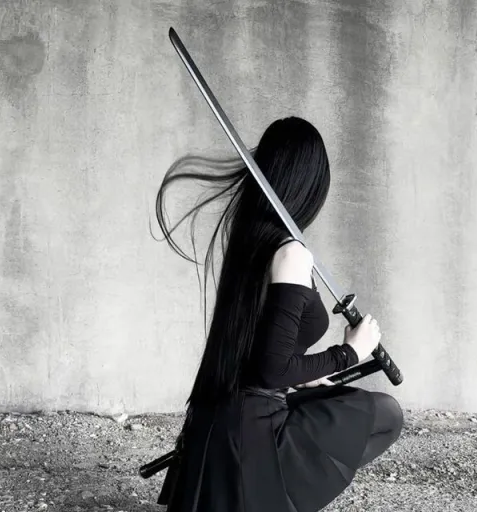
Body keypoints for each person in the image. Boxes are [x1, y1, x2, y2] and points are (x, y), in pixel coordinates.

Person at [153, 116, 403, 512]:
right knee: (385, 415)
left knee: (350, 409)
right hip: (253, 429)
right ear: (311, 185)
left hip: (225, 417)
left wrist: (310, 373)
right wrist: (350, 353)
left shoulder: (251, 239)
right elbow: (272, 371)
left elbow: (262, 353)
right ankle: (265, 494)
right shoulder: (290, 254)